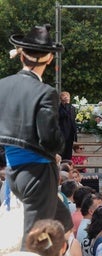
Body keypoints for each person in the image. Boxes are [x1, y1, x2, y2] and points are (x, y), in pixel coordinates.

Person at [0, 24, 73, 249]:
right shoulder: (45, 92)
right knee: (34, 240)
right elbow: (50, 139)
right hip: (38, 174)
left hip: (15, 172)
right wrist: (60, 146)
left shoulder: (3, 85)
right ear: (49, 59)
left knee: (65, 223)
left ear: (21, 54)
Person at [59, 91, 77, 161]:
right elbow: (64, 115)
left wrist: (75, 134)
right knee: (62, 153)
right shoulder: (58, 108)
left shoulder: (72, 108)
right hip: (62, 134)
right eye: (64, 96)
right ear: (61, 98)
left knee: (69, 153)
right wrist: (66, 104)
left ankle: (68, 168)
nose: (66, 97)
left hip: (70, 134)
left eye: (67, 96)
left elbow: (72, 120)